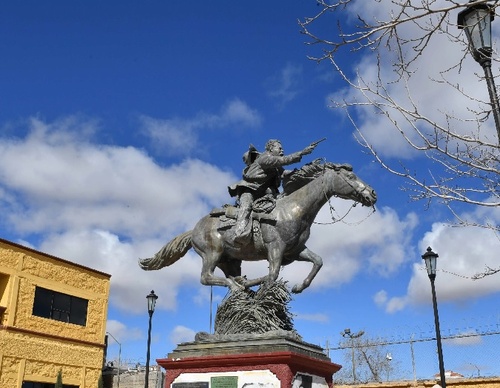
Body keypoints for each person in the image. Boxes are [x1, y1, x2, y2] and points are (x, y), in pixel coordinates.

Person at [228, 139, 316, 244]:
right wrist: (302, 152)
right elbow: (284, 160)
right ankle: (239, 233)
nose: (282, 150)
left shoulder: (275, 165)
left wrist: (307, 169)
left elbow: (284, 173)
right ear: (271, 149)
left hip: (265, 193)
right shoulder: (265, 159)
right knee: (246, 207)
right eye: (279, 148)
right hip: (249, 190)